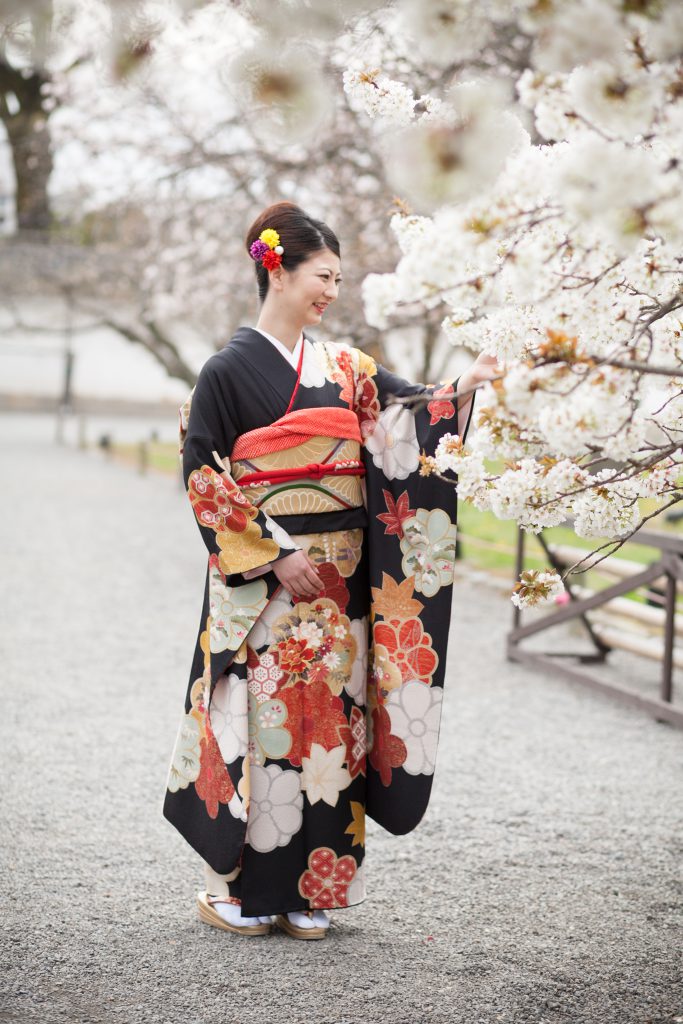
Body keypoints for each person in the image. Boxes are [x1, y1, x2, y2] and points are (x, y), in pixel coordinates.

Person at [162, 199, 498, 940]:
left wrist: (463, 389)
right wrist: (277, 555)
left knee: (331, 736)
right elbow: (205, 472)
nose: (332, 291)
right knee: (264, 728)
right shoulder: (225, 371)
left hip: (339, 588)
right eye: (323, 274)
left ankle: (310, 887)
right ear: (275, 268)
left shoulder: (347, 367)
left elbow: (407, 417)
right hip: (269, 586)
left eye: (339, 279)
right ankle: (239, 888)